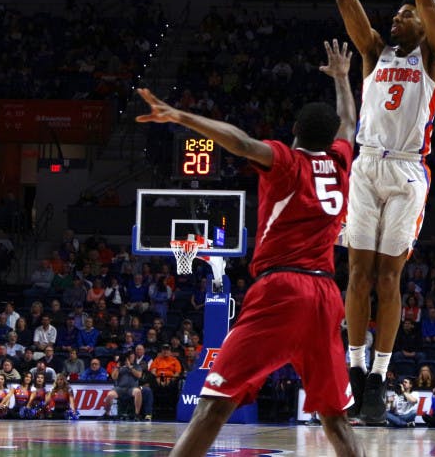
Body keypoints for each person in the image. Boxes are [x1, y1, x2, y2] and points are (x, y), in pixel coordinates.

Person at [141, 40, 362, 457]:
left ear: (294, 132)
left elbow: (240, 142)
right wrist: (342, 80)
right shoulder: (340, 162)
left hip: (282, 291)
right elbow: (349, 123)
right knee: (335, 418)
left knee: (213, 405)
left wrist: (180, 115)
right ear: (330, 139)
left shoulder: (286, 161)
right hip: (327, 296)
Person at [332, 0, 435, 424]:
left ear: (424, 26)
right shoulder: (373, 52)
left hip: (406, 171)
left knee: (388, 279)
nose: (399, 16)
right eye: (398, 13)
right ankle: (357, 372)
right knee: (356, 275)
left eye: (407, 14)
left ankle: (380, 376)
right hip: (366, 164)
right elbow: (344, 0)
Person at [102, 352, 152, 421]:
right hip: (119, 388)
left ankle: (137, 414)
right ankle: (107, 414)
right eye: (131, 357)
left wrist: (130, 367)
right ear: (127, 358)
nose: (133, 358)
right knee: (110, 395)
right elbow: (114, 377)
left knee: (138, 392)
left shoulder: (136, 366)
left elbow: (139, 375)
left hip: (132, 388)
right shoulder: (119, 366)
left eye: (133, 357)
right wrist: (117, 367)